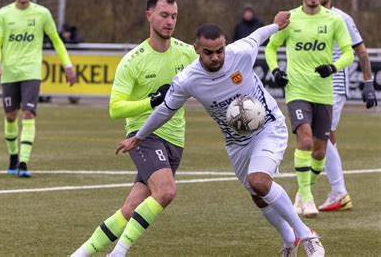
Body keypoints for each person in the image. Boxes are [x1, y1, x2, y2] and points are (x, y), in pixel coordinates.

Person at [116, 15, 326, 256]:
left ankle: (306, 234)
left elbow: (258, 35)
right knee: (257, 194)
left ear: (225, 45)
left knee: (259, 181)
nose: (216, 57)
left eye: (220, 51)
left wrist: (277, 24)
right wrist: (139, 136)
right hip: (236, 142)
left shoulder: (240, 53)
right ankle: (290, 240)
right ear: (197, 49)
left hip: (269, 127)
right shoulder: (188, 80)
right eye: (208, 53)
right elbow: (165, 110)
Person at [71, 0, 197, 256]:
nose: (170, 21)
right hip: (144, 136)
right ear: (149, 16)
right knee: (165, 191)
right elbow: (115, 108)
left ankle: (80, 254)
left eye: (174, 16)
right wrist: (151, 102)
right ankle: (119, 252)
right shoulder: (133, 60)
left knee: (129, 210)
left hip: (176, 140)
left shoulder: (187, 53)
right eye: (164, 15)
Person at [264, 0, 354, 218]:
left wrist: (333, 67)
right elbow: (271, 47)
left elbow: (348, 53)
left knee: (319, 151)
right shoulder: (290, 18)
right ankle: (308, 199)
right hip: (297, 91)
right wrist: (275, 70)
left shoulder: (334, 20)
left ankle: (301, 194)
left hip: (323, 94)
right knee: (304, 140)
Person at [0, 0, 76, 177]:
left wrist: (68, 65)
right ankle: (13, 157)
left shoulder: (42, 13)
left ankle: (23, 162)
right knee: (11, 115)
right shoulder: (3, 14)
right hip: (9, 73)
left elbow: (56, 40)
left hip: (31, 72)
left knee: (28, 113)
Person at [317, 0, 377, 212]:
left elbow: (360, 51)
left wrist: (368, 82)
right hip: (313, 84)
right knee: (324, 135)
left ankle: (339, 192)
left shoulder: (341, 17)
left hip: (334, 83)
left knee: (320, 134)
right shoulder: (303, 17)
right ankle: (338, 192)